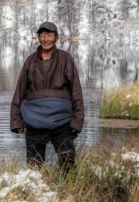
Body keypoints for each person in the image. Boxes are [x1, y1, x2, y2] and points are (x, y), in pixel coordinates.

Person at [10, 22, 84, 171]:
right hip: (35, 121)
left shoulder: (65, 58)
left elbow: (76, 91)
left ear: (56, 37)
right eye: (42, 35)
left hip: (62, 121)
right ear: (38, 38)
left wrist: (76, 121)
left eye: (49, 35)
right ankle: (36, 192)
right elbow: (20, 91)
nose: (45, 39)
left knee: (68, 163)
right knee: (34, 167)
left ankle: (69, 192)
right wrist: (16, 121)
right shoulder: (30, 61)